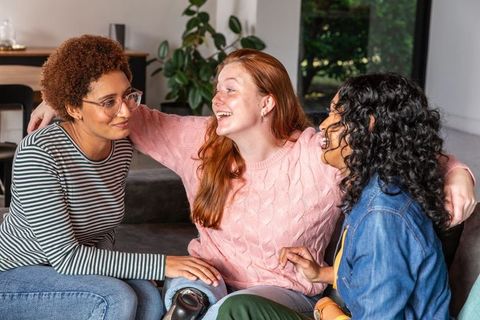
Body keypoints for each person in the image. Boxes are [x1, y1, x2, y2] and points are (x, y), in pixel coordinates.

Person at [27, 50, 476, 320]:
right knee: (186, 306)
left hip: (279, 292)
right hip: (207, 276)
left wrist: (458, 170)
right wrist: (56, 98)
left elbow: (395, 145)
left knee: (228, 314)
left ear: (267, 102)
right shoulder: (199, 138)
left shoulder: (320, 152)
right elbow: (109, 105)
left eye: (230, 90)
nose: (215, 100)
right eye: (216, 89)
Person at [0, 35, 220, 320]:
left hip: (70, 271)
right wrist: (164, 264)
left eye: (129, 95)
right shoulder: (39, 154)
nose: (126, 110)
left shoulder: (121, 146)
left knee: (149, 297)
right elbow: (67, 258)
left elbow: (102, 235)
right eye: (108, 102)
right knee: (114, 296)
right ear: (73, 108)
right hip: (14, 276)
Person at [218, 73, 460, 319]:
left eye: (337, 115)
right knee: (239, 308)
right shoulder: (374, 187)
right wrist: (320, 273)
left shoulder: (382, 215)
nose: (322, 125)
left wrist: (328, 310)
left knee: (237, 312)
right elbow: (373, 276)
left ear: (368, 125)